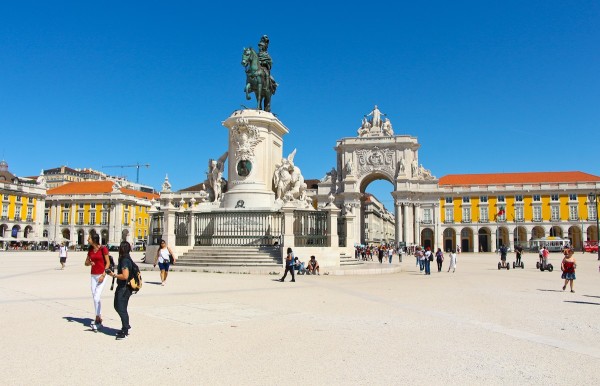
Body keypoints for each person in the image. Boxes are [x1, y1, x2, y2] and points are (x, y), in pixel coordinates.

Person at [84, 233, 110, 332]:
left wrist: (103, 275)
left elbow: (108, 263)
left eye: (89, 238)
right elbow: (85, 263)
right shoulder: (90, 249)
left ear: (94, 240)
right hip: (93, 275)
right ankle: (98, 317)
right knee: (95, 296)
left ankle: (97, 318)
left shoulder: (103, 249)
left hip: (101, 275)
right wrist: (89, 263)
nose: (87, 240)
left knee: (96, 296)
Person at [108, 241, 133, 339]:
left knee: (120, 307)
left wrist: (114, 275)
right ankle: (125, 325)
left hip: (124, 287)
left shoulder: (125, 260)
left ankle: (125, 330)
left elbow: (125, 275)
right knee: (120, 307)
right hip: (125, 287)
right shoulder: (126, 258)